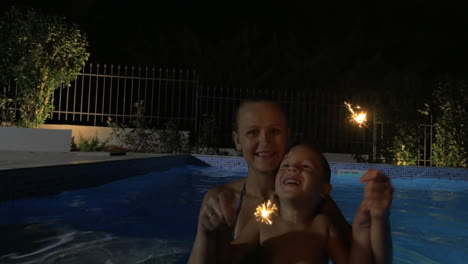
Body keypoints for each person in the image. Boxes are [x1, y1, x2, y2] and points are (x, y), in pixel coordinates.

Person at [188, 98, 393, 263]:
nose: (265, 141)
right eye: (252, 132)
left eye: (274, 131)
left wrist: (373, 221)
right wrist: (211, 234)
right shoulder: (232, 206)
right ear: (237, 140)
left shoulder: (320, 211)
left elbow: (366, 256)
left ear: (286, 136)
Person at [228, 143, 392, 263]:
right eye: (285, 165)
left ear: (324, 190)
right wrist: (213, 233)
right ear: (275, 188)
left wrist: (362, 229)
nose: (292, 169)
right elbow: (231, 257)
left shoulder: (322, 225)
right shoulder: (262, 221)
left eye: (306, 167)